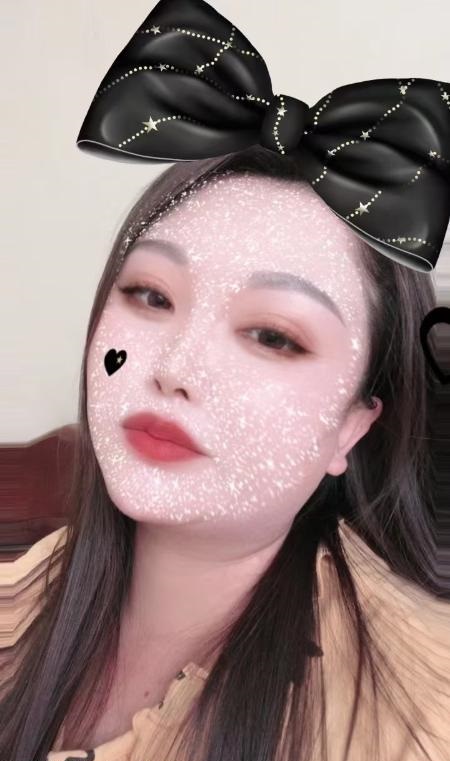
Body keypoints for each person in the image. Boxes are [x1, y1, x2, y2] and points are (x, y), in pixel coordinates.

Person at [1, 145, 449, 761]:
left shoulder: (421, 721)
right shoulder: (25, 592)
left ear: (353, 426)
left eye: (272, 337)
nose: (175, 369)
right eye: (151, 296)